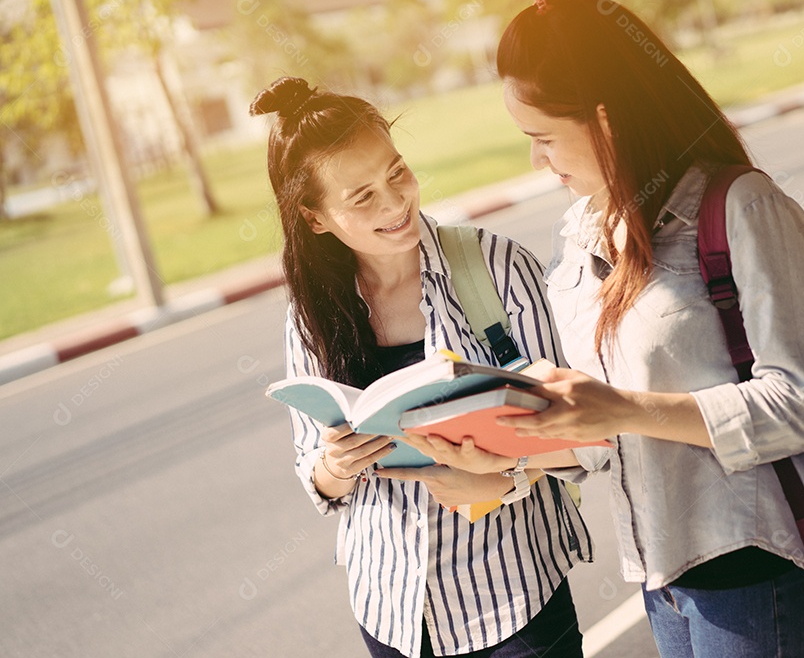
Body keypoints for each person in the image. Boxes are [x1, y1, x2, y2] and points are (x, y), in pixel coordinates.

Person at [424, 0, 804, 658]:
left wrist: (622, 407)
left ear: (606, 121)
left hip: (757, 577)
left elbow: (802, 405)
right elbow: (604, 440)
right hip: (663, 582)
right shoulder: (583, 238)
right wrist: (502, 461)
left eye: (544, 139)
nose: (537, 161)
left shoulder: (742, 209)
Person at [249, 76, 591, 658]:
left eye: (397, 173)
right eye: (362, 197)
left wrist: (498, 477)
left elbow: (580, 429)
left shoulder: (496, 266)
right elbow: (315, 470)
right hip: (392, 611)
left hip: (512, 600)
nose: (395, 203)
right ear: (314, 219)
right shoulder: (312, 312)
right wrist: (336, 465)